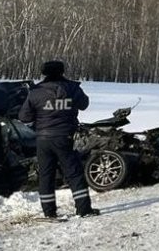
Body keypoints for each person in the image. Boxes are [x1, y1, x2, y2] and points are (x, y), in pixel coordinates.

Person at [18, 60, 99, 218]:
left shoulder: (35, 92)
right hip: (65, 137)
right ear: (62, 71)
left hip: (43, 139)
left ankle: (49, 212)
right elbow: (84, 105)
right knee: (74, 173)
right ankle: (84, 209)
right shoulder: (72, 88)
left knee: (46, 175)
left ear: (44, 73)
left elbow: (24, 116)